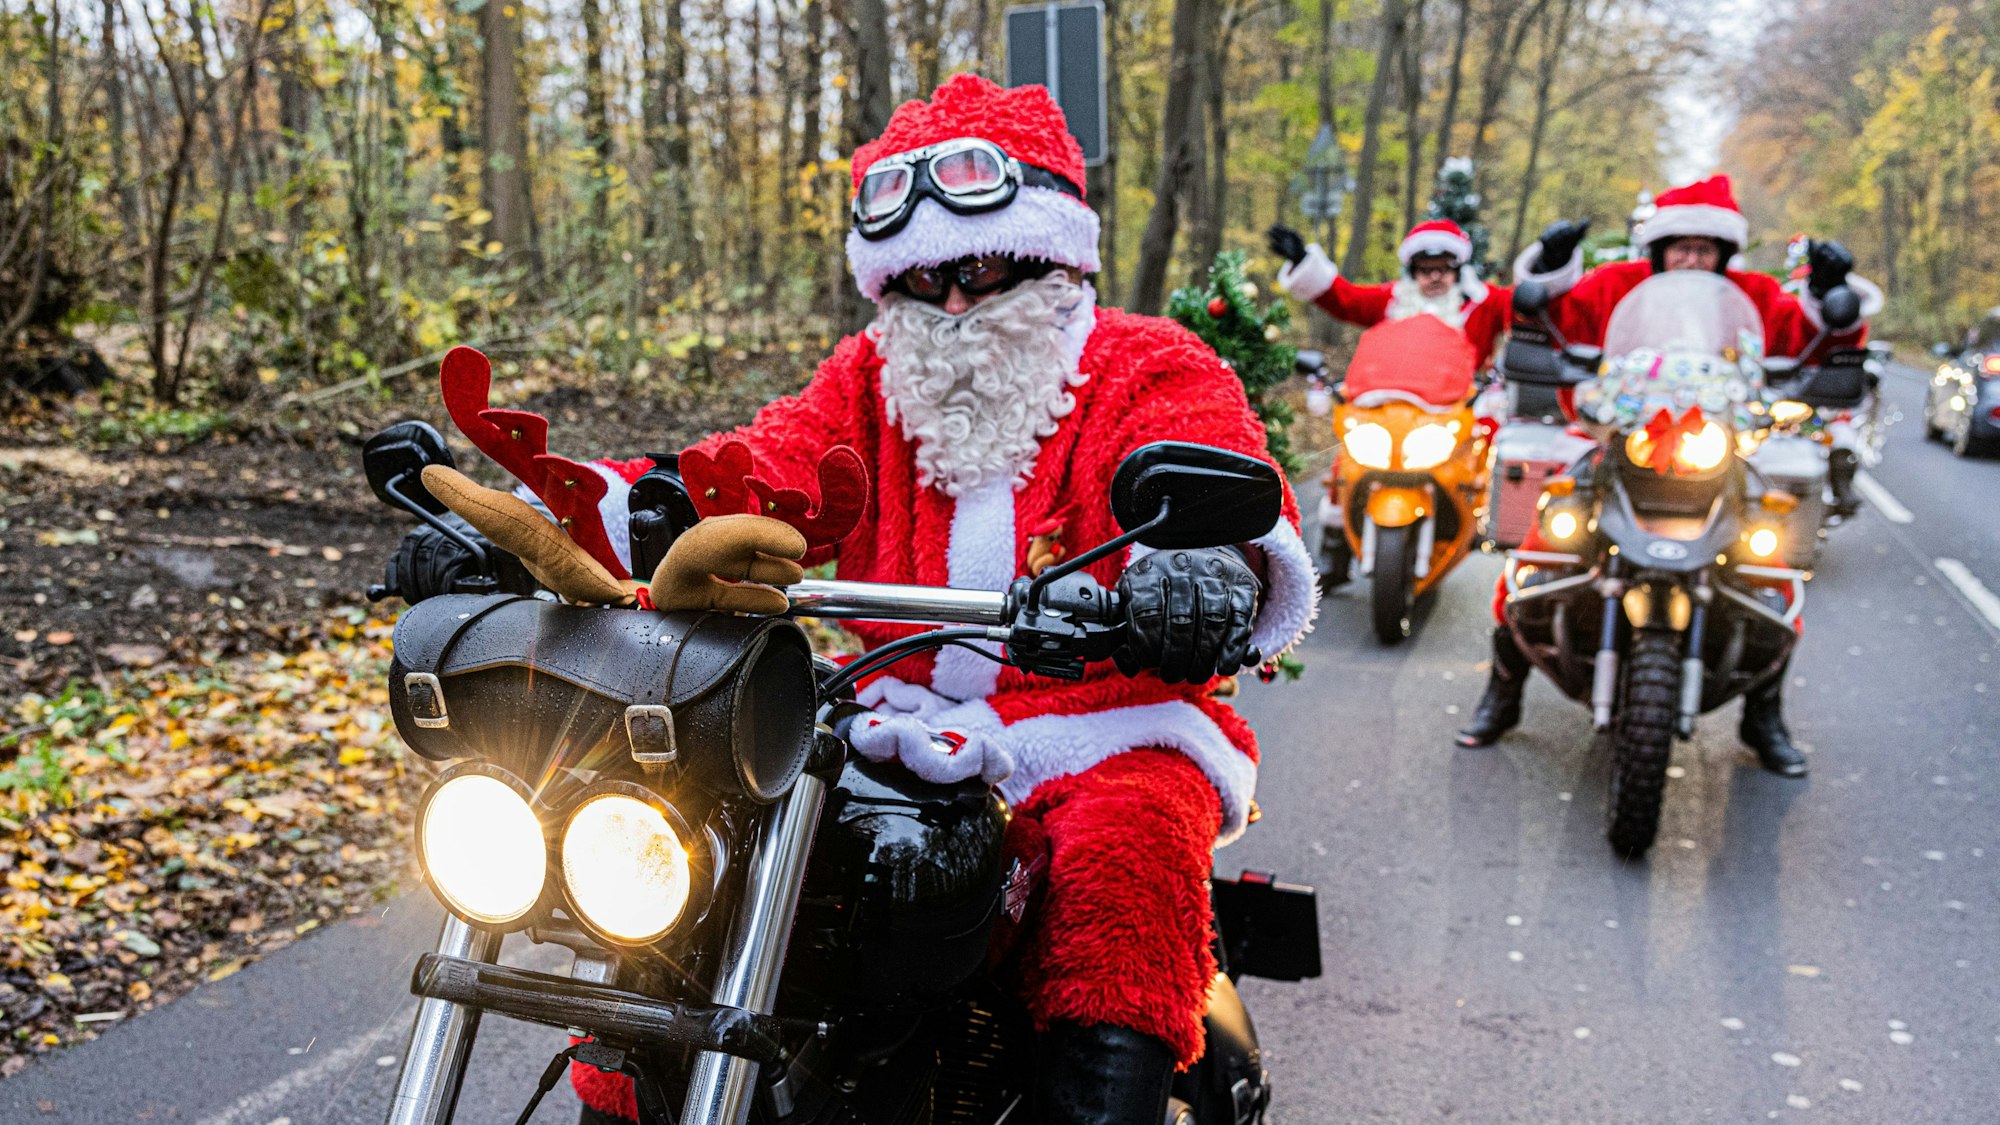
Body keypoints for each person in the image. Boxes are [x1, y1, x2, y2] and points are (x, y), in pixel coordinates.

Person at [443, 75, 1316, 1124]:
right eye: (920, 280)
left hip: (1100, 724)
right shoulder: (864, 379)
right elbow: (758, 473)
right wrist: (602, 515)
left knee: (1126, 861)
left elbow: (1213, 458)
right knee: (702, 848)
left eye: (981, 270)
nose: (950, 305)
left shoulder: (1144, 363)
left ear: (1052, 258)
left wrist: (1210, 568)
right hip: (885, 714)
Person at [1458, 174, 1883, 777]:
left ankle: (1764, 716)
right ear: (1658, 247)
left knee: (1772, 574)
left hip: (1722, 450)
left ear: (1724, 252)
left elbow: (1811, 339)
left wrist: (1831, 294)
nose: (1691, 256)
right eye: (1680, 244)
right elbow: (1548, 316)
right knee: (1537, 551)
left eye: (1704, 247)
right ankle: (1502, 696)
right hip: (1617, 442)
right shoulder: (1615, 285)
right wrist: (1551, 269)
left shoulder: (1755, 294)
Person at [1266, 218, 1513, 364]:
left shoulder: (1483, 301)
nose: (1435, 277)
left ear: (1457, 270)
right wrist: (1302, 260)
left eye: (1443, 269)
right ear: (1414, 272)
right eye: (1426, 270)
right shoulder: (1393, 300)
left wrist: (1546, 264)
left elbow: (1525, 305)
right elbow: (1346, 300)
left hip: (1467, 411)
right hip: (1395, 405)